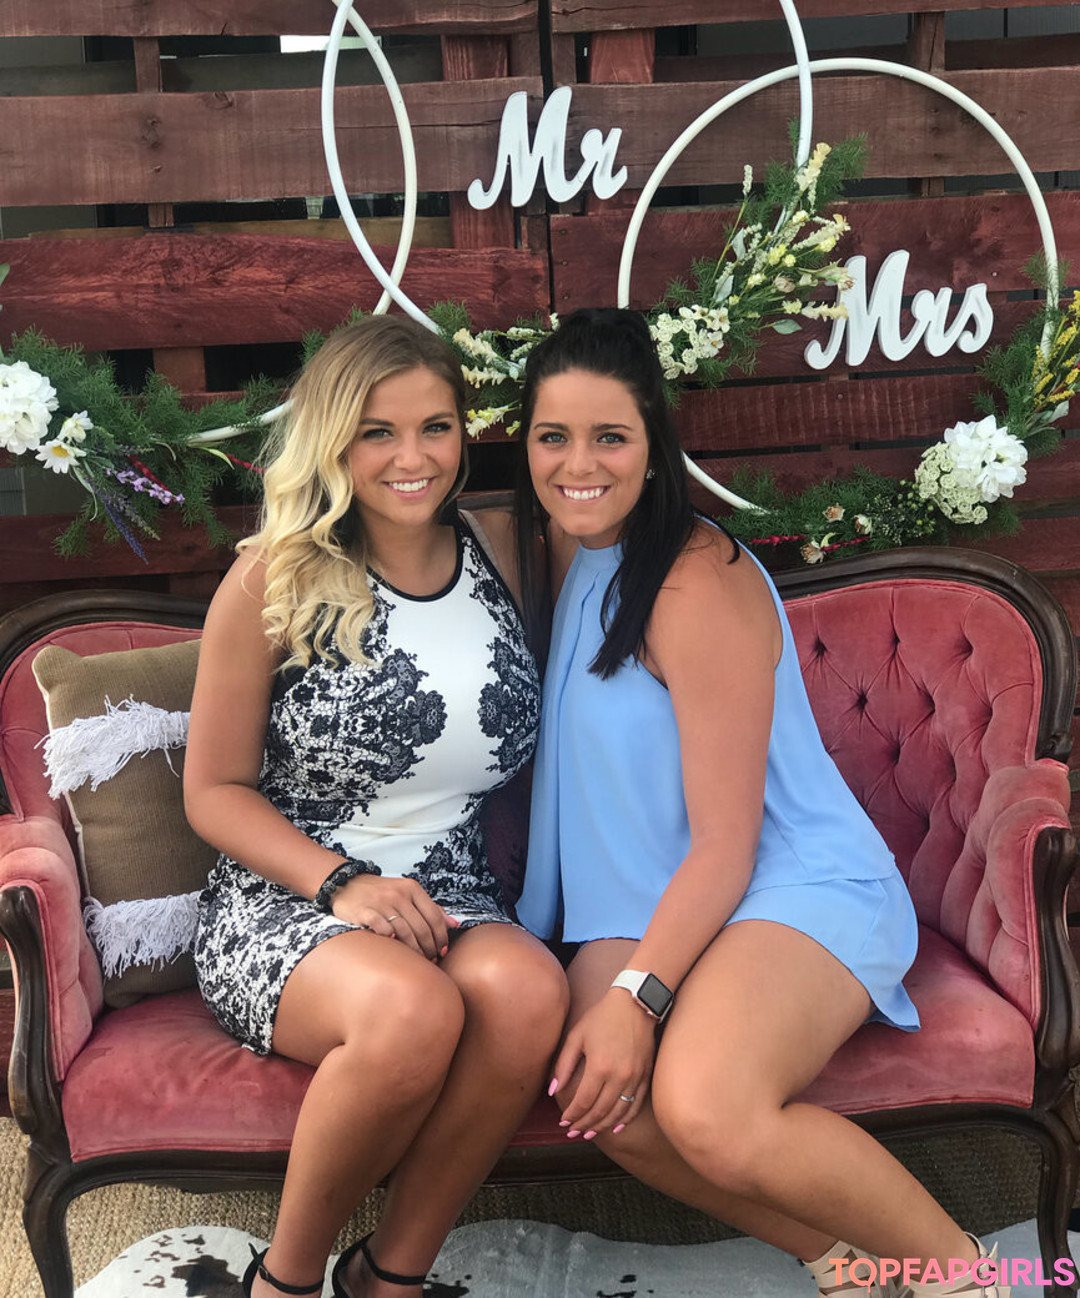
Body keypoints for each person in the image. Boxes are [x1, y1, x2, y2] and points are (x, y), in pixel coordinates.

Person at [513, 307, 1009, 1298]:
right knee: (594, 1092)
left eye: (610, 436)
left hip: (793, 880)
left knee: (707, 1105)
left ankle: (965, 1275)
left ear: (655, 443)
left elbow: (729, 844)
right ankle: (846, 1264)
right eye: (552, 436)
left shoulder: (692, 581)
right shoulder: (571, 549)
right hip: (652, 893)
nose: (579, 464)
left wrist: (636, 998)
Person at [184, 316, 568, 1298]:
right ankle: (285, 1282)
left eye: (435, 426)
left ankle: (389, 1276)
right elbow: (212, 791)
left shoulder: (498, 550)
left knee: (529, 992)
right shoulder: (273, 577)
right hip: (290, 895)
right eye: (377, 432)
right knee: (409, 1009)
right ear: (333, 441)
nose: (413, 457)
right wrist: (342, 884)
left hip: (447, 887)